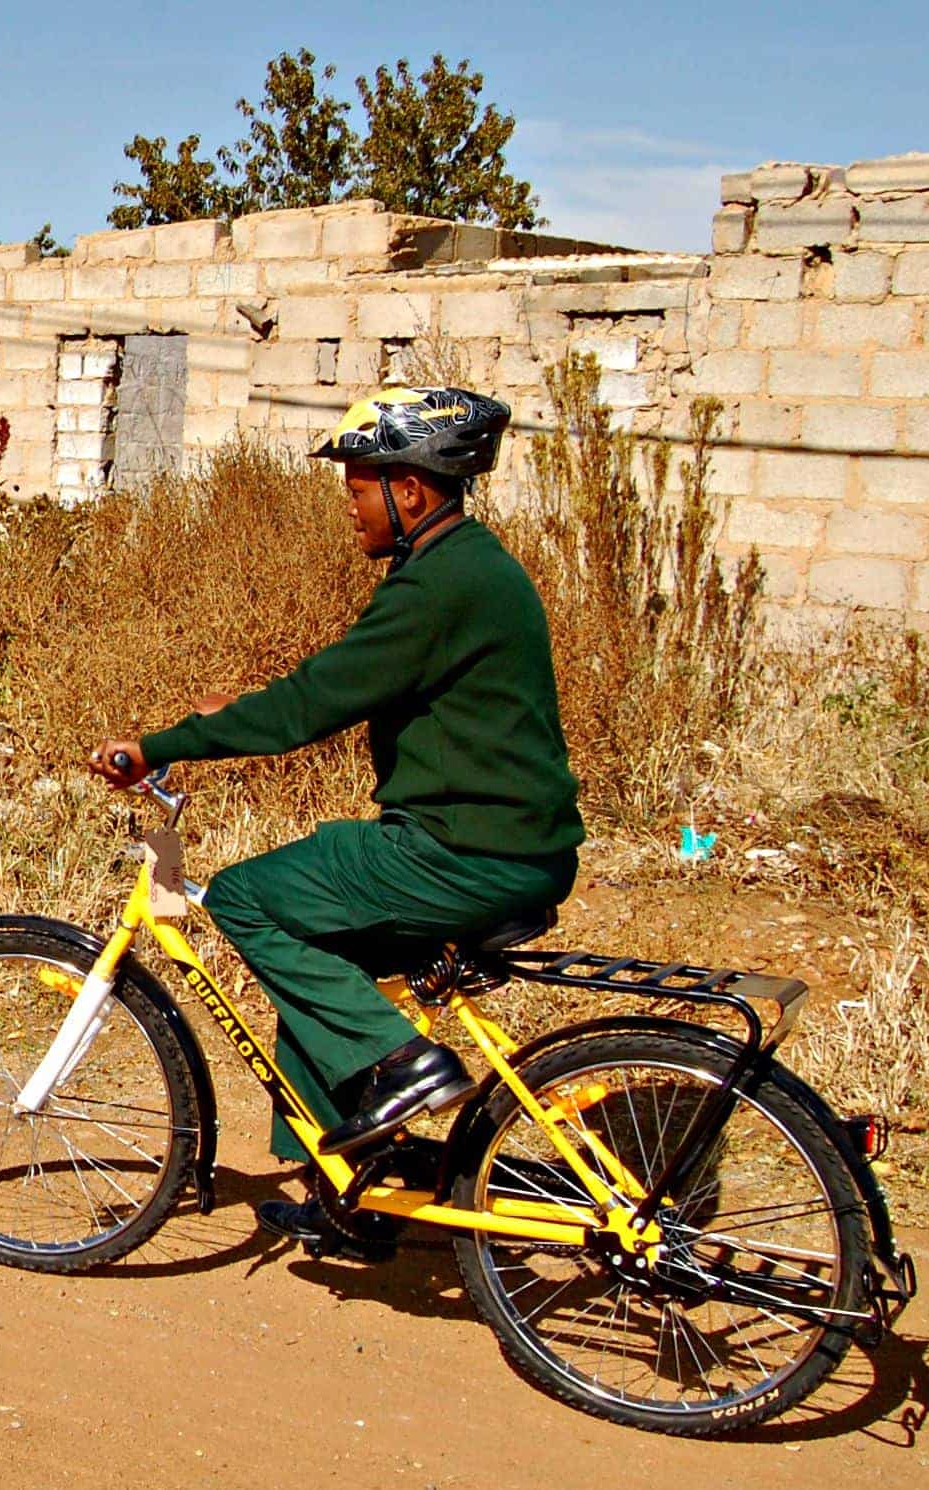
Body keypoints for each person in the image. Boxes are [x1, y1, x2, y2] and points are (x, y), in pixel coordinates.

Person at [88, 386, 583, 1252]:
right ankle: (347, 1187)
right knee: (319, 961)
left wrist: (162, 743)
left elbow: (313, 705)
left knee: (247, 898)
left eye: (357, 488)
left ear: (411, 489)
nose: (349, 507)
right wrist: (239, 708)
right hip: (508, 847)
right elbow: (349, 681)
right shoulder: (459, 569)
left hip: (459, 853)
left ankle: (405, 1066)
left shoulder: (440, 584)